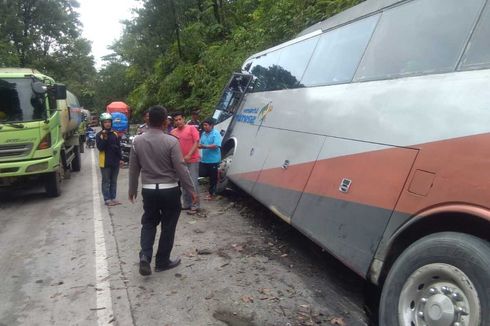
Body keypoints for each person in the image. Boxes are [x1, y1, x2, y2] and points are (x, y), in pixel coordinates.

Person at [128, 105, 196, 276]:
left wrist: (132, 189)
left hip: (149, 190)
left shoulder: (137, 141)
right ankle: (162, 261)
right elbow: (180, 168)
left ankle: (145, 255)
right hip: (170, 190)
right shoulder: (171, 141)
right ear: (165, 122)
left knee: (149, 222)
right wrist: (191, 190)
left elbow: (133, 169)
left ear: (148, 120)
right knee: (168, 225)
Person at [171, 112, 200, 213]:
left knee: (193, 182)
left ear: (184, 119)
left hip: (193, 160)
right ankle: (187, 204)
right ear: (174, 122)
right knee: (184, 183)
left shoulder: (191, 128)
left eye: (180, 119)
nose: (178, 122)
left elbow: (197, 142)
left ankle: (195, 205)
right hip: (181, 161)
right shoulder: (173, 132)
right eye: (176, 120)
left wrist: (189, 155)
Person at [96, 112, 122, 206]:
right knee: (106, 181)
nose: (107, 124)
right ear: (102, 123)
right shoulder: (99, 135)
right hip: (105, 162)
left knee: (114, 181)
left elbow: (118, 147)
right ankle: (107, 199)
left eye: (109, 122)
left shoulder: (114, 134)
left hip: (115, 161)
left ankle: (113, 198)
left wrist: (120, 159)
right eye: (105, 122)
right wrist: (104, 138)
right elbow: (100, 148)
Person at [199, 118, 222, 200]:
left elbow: (216, 145)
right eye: (204, 125)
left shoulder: (216, 133)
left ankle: (212, 194)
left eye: (206, 125)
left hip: (213, 160)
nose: (204, 127)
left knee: (213, 178)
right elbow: (201, 143)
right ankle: (212, 188)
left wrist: (204, 146)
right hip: (205, 159)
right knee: (201, 173)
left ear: (211, 125)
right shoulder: (203, 133)